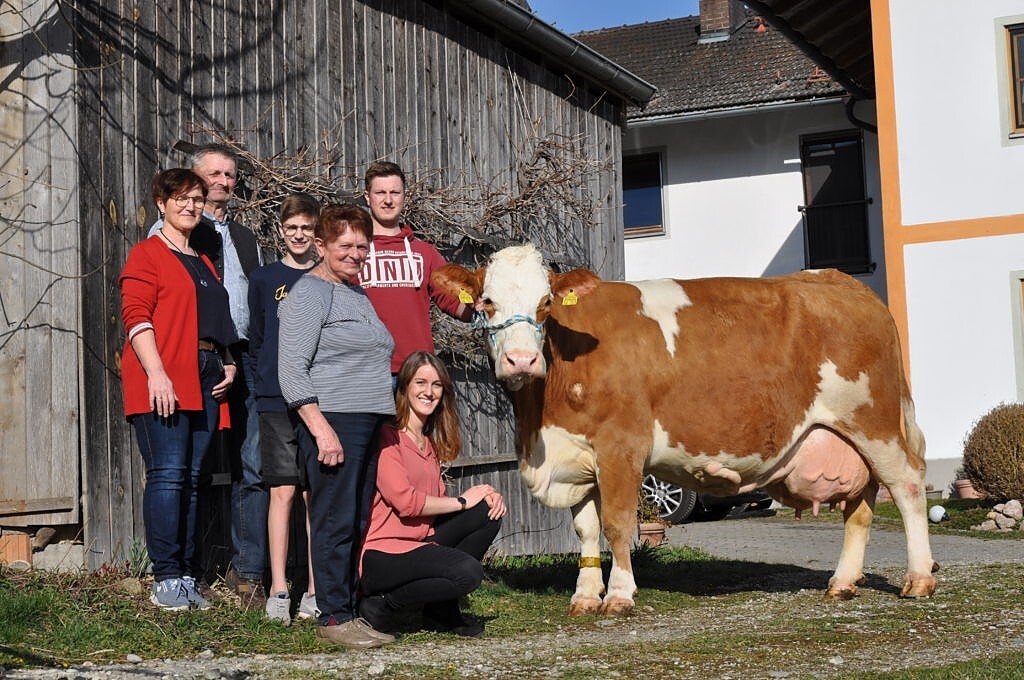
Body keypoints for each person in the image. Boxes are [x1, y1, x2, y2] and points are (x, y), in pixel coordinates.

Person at [150, 144, 268, 608]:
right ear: (194, 185)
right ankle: (183, 573)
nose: (222, 181)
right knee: (186, 469)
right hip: (198, 357)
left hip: (248, 355)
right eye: (213, 174)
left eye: (230, 174)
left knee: (253, 464)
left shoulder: (243, 235)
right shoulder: (180, 233)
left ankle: (249, 572)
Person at [278, 203, 397, 649]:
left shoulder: (357, 294)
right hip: (334, 421)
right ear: (321, 245)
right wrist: (320, 428)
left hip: (366, 421)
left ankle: (348, 610)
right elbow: (290, 369)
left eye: (361, 246)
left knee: (356, 517)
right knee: (333, 520)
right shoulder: (309, 294)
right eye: (344, 245)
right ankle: (332, 618)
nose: (355, 254)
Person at [120, 169, 238, 610]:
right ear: (161, 204)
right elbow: (136, 317)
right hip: (165, 373)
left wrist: (227, 361)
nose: (189, 206)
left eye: (196, 199)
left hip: (206, 374)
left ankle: (188, 576)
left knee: (192, 480)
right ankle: (166, 578)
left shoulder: (204, 261)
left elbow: (215, 322)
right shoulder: (147, 255)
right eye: (180, 199)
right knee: (168, 476)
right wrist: (157, 373)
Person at [359, 351, 506, 637]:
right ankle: (382, 606)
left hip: (420, 542)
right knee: (470, 573)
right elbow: (406, 503)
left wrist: (486, 495)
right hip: (383, 553)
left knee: (487, 513)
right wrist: (464, 500)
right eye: (420, 383)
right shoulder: (387, 438)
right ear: (404, 388)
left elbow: (435, 507)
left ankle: (441, 610)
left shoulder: (429, 445)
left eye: (436, 385)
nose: (429, 392)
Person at [247, 193, 320, 624]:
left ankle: (314, 588)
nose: (298, 235)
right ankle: (278, 589)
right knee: (282, 491)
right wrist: (263, 389)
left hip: (318, 401)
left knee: (314, 494)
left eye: (306, 228)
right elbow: (256, 340)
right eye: (291, 228)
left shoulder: (327, 277)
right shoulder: (264, 279)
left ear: (316, 233)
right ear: (280, 231)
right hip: (275, 401)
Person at [358, 161, 474, 375]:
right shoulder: (353, 252)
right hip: (366, 373)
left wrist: (482, 306)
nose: (388, 200)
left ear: (404, 196)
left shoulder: (425, 253)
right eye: (380, 192)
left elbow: (455, 303)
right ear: (367, 197)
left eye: (395, 192)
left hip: (416, 372)